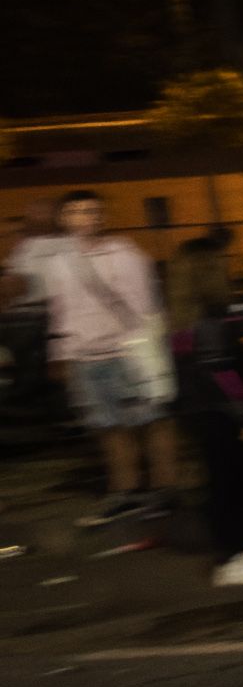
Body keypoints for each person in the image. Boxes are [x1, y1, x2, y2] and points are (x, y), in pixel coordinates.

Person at [24, 192, 180, 528]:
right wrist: (61, 355)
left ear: (103, 217)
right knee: (108, 428)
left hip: (128, 352)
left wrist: (145, 352)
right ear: (63, 218)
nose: (86, 217)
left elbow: (145, 305)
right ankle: (125, 491)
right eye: (76, 211)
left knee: (151, 422)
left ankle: (165, 489)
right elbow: (59, 311)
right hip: (85, 356)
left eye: (93, 211)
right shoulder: (57, 264)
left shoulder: (124, 253)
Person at [168, 237, 243, 586]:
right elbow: (221, 372)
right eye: (223, 262)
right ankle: (231, 558)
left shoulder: (188, 315)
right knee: (231, 482)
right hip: (220, 413)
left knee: (239, 477)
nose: (231, 266)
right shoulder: (206, 318)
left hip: (203, 411)